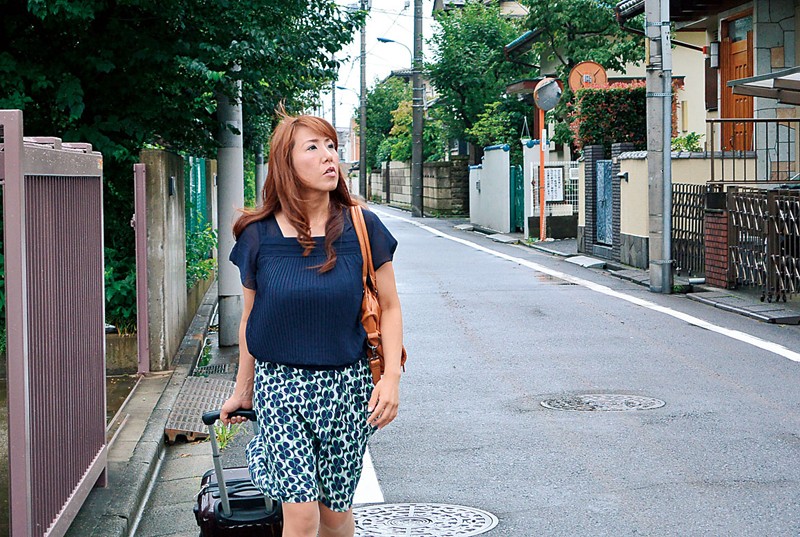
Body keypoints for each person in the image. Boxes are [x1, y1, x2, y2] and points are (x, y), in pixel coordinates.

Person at [220, 110, 403, 537]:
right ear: (286, 163)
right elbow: (251, 318)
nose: (328, 156)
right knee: (301, 515)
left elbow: (390, 307)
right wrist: (243, 391)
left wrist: (391, 379)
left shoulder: (363, 227)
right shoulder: (257, 235)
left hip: (347, 388)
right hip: (281, 387)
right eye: (313, 147)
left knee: (335, 515)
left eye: (332, 147)